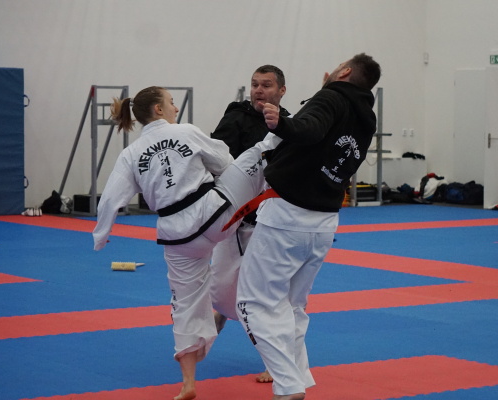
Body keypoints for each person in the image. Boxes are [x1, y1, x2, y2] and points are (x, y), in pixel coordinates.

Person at [91, 86, 280, 400]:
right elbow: (223, 161)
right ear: (158, 110)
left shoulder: (130, 154)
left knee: (185, 307)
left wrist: (101, 235)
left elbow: (110, 198)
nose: (175, 107)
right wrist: (231, 182)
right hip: (217, 216)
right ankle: (286, 153)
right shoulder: (185, 131)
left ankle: (188, 383)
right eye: (171, 102)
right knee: (254, 155)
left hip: (177, 237)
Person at [235, 53, 381, 400]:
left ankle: (288, 384)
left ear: (345, 71)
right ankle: (298, 375)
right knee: (292, 305)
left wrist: (281, 124)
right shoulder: (365, 117)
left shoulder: (331, 97)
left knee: (252, 303)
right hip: (324, 221)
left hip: (287, 216)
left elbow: (310, 128)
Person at [209, 65, 290, 384]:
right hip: (235, 218)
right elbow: (215, 160)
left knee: (269, 294)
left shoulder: (291, 124)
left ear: (282, 90)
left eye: (266, 85)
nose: (259, 90)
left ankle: (276, 361)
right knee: (221, 289)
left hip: (273, 220)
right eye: (255, 84)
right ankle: (216, 320)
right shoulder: (236, 118)